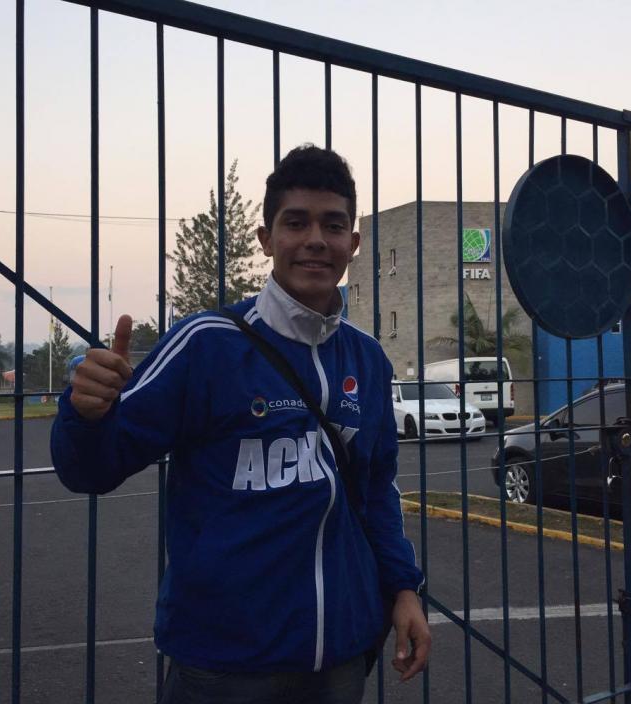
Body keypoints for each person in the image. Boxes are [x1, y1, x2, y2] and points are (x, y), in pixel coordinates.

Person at [51, 145, 431, 703]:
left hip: (342, 658)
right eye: (295, 222)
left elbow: (376, 492)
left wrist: (403, 589)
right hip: (224, 666)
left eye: (333, 225)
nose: (315, 240)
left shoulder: (368, 359)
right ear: (266, 240)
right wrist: (86, 415)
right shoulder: (207, 343)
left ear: (353, 243)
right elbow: (91, 470)